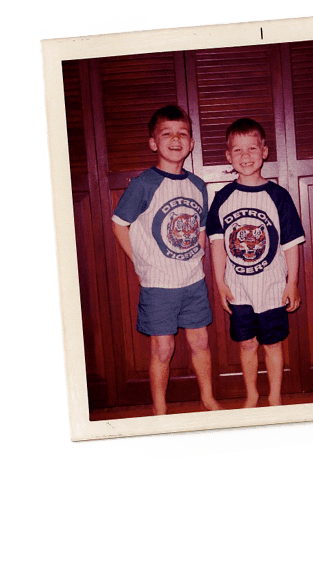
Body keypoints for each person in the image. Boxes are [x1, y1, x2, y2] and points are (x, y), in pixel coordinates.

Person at [111, 105, 221, 415]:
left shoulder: (198, 185)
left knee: (201, 343)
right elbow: (119, 224)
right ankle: (160, 410)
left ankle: (207, 398)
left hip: (193, 282)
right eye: (167, 133)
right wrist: (139, 261)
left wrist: (196, 259)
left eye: (182, 134)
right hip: (159, 284)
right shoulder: (144, 183)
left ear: (191, 143)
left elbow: (200, 229)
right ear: (153, 142)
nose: (175, 139)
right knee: (163, 348)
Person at [206, 118, 306, 408]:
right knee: (247, 343)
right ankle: (252, 394)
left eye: (252, 148)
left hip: (273, 287)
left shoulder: (278, 196)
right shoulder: (223, 198)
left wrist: (293, 283)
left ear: (264, 151)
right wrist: (220, 282)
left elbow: (291, 244)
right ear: (228, 156)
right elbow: (217, 244)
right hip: (239, 289)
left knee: (273, 343)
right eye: (237, 150)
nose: (245, 155)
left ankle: (275, 396)